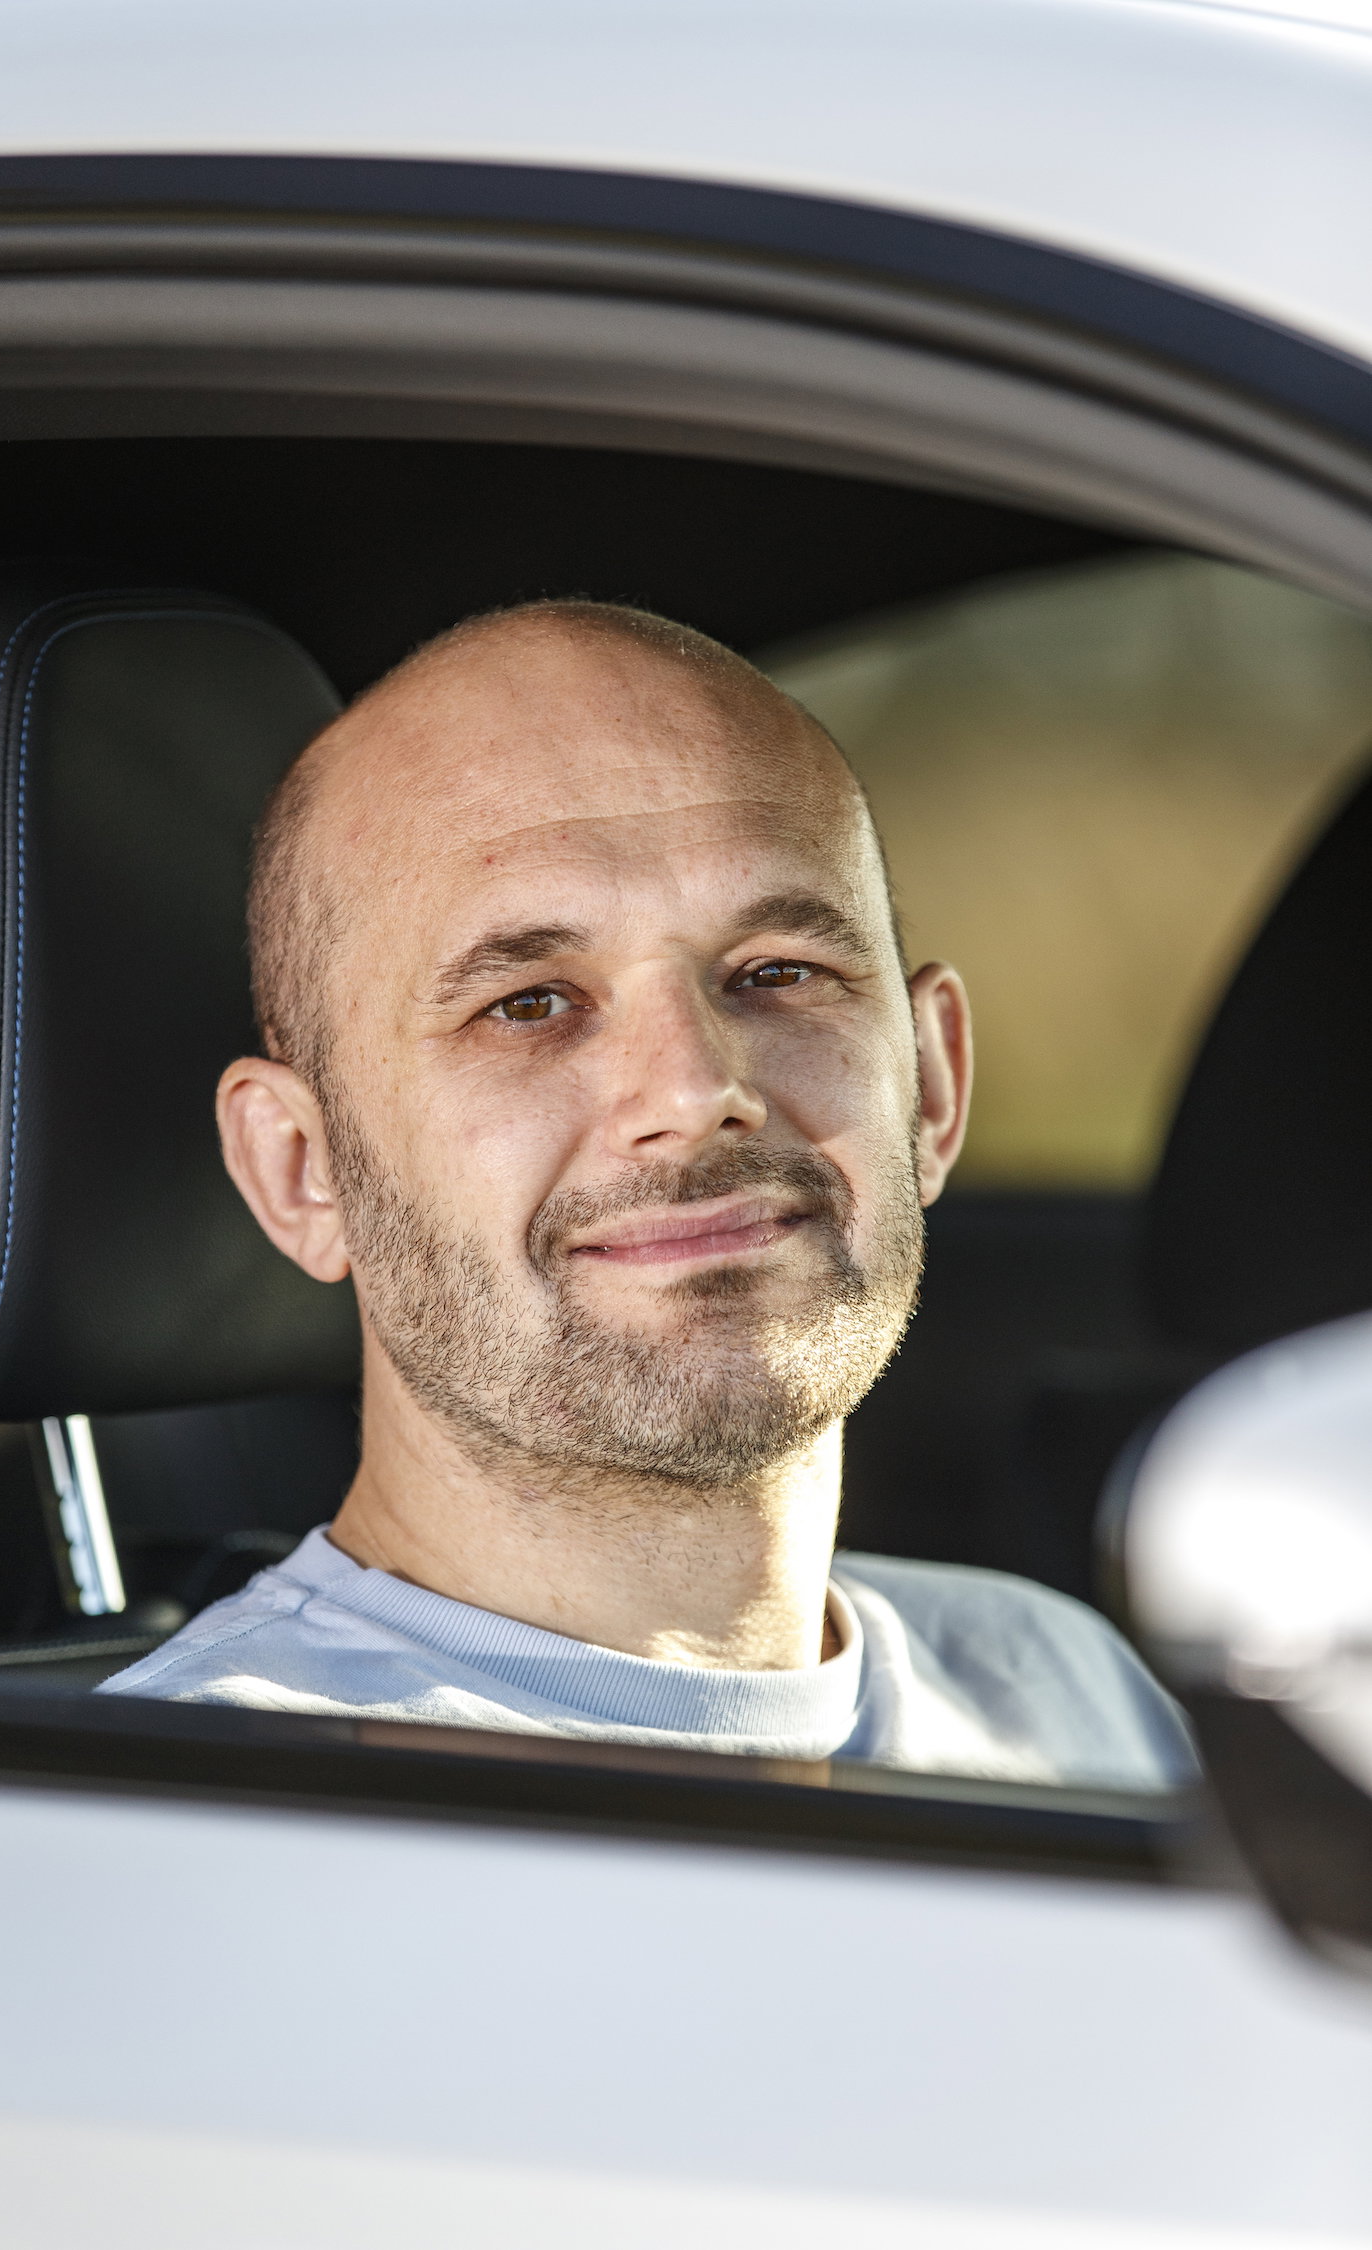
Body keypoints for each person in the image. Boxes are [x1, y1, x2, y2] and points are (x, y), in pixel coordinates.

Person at [102, 601, 1194, 1788]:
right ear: (302, 1171)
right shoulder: (182, 1832)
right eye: (527, 1003)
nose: (698, 1089)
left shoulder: (1070, 1698)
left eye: (781, 972)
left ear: (929, 1083)